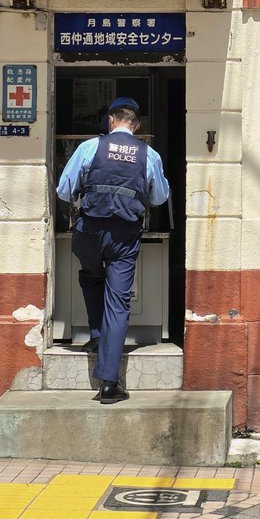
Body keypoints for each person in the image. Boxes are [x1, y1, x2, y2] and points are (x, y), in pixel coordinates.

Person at [56, 97, 170, 404]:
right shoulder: (149, 155)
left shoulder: (89, 148)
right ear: (136, 125)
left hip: (90, 231)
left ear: (110, 121)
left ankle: (95, 337)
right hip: (124, 235)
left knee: (91, 276)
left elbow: (64, 191)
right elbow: (159, 197)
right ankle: (109, 383)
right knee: (118, 303)